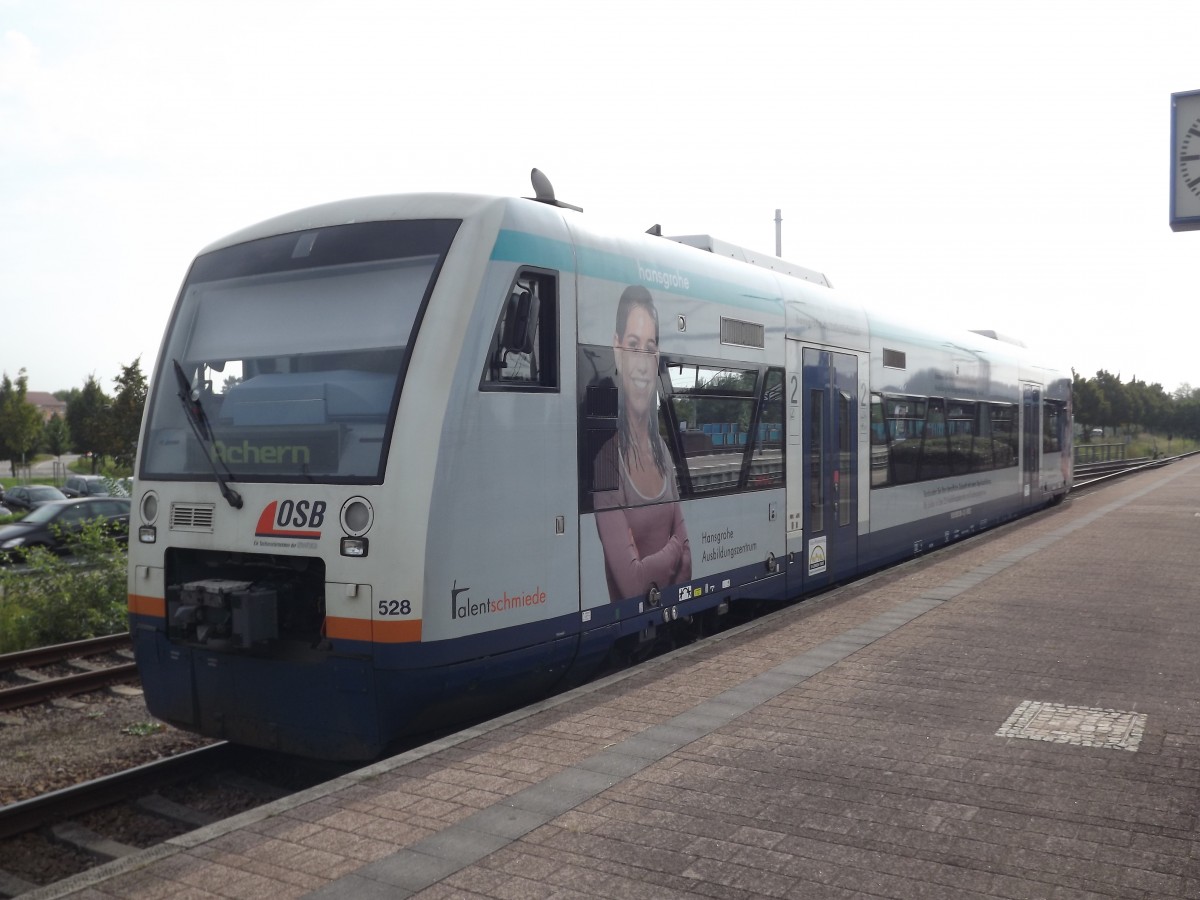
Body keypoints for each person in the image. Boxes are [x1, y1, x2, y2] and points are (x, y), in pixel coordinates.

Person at [594, 285, 691, 602]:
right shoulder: (606, 463)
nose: (641, 363)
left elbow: (688, 566)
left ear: (656, 359)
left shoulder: (662, 451)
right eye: (633, 346)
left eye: (649, 349)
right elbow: (633, 584)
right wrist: (674, 546)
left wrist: (655, 561)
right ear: (617, 349)